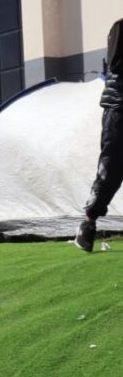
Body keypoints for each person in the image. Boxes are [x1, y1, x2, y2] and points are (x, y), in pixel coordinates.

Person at [77, 18, 123, 252]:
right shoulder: (119, 28)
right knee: (111, 168)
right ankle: (88, 224)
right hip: (118, 108)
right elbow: (116, 63)